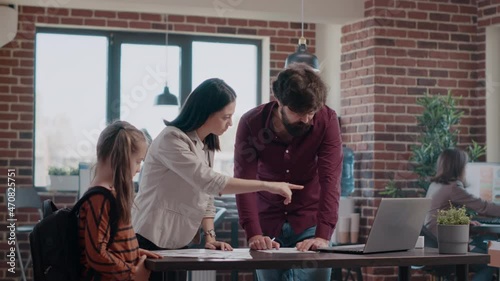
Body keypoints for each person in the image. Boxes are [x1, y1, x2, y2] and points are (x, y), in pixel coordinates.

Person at [131, 78, 303, 281]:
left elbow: (206, 194)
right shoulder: (171, 139)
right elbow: (209, 182)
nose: (230, 123)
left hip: (177, 242)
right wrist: (267, 185)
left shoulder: (207, 144)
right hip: (148, 238)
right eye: (226, 117)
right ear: (206, 112)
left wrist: (210, 238)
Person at [234, 63, 343, 281]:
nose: (306, 119)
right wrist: (254, 233)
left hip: (310, 220)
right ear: (280, 102)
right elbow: (243, 182)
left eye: (311, 112)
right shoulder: (251, 123)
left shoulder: (327, 120)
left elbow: (330, 179)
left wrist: (323, 236)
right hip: (267, 224)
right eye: (298, 112)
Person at [78, 120, 162, 281]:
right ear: (120, 157)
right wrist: (132, 274)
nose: (139, 168)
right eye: (138, 161)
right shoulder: (100, 198)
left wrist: (133, 251)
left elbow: (111, 243)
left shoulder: (108, 194)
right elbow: (96, 254)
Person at [424, 148, 500, 281]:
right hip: (447, 247)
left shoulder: (435, 184)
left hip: (433, 244)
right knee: (494, 258)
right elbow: (483, 207)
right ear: (458, 167)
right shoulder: (453, 187)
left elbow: (438, 215)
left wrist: (462, 223)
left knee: (489, 245)